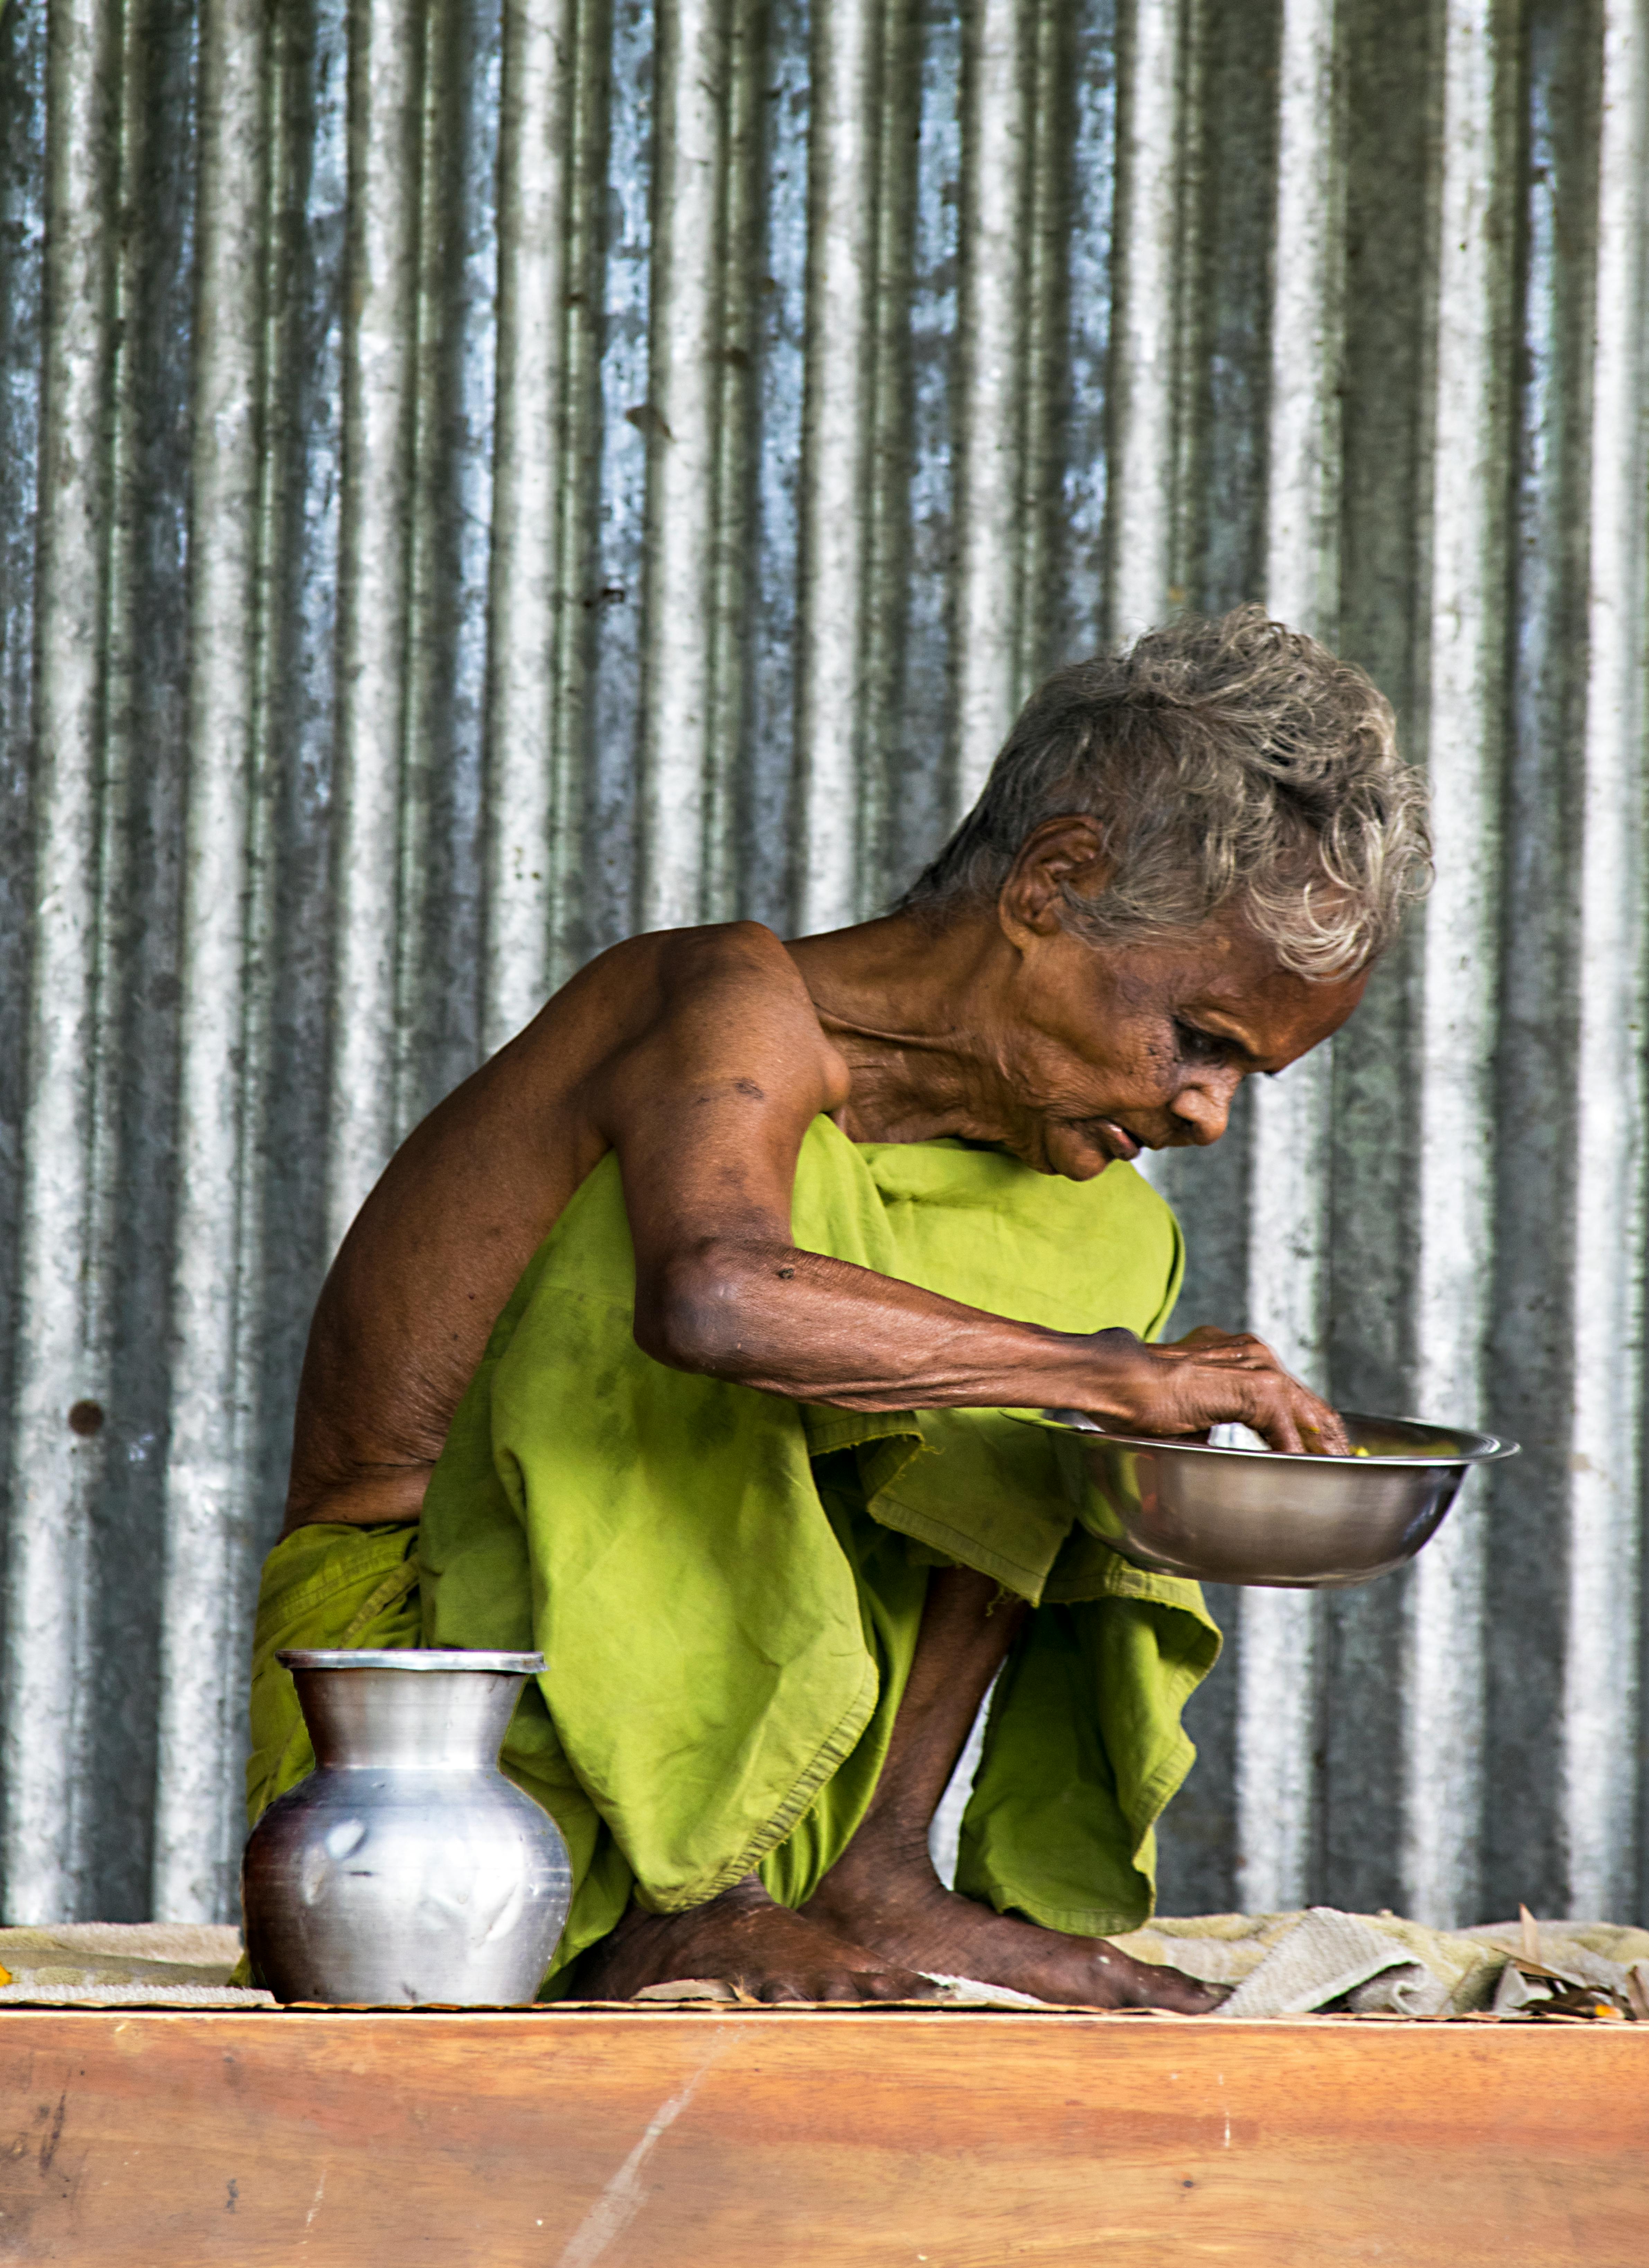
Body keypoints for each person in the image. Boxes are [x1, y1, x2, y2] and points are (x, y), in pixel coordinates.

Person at [245, 605, 1430, 2009]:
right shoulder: (717, 998)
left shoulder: (1065, 1190)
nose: (1206, 1112)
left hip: (802, 1742)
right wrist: (1115, 1380)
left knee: (1094, 1240)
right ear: (1055, 882)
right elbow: (712, 1298)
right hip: (453, 1739)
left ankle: (875, 1872)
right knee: (754, 1233)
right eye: (1200, 1042)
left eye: (1247, 1078)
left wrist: (1104, 1385)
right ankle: (696, 1896)